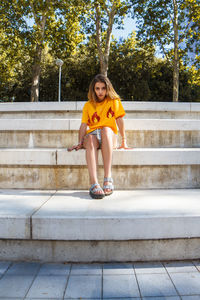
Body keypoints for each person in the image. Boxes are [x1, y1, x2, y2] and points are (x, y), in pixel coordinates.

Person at [68, 74, 128, 199]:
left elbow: (120, 121)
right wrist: (80, 141)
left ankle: (107, 178)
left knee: (106, 129)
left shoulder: (114, 101)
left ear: (107, 89)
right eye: (97, 88)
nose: (100, 92)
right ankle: (94, 183)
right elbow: (83, 125)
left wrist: (124, 140)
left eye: (103, 88)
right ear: (93, 90)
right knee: (89, 138)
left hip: (109, 135)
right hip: (94, 135)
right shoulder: (88, 105)